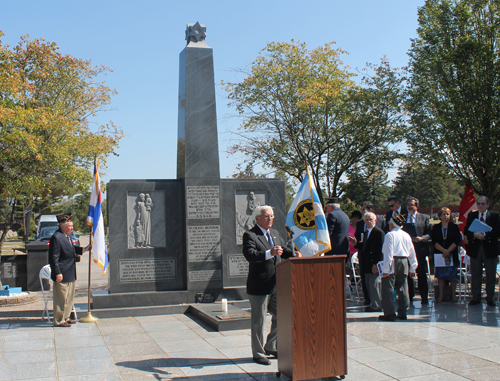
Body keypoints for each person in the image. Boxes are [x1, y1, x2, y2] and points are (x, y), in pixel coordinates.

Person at [242, 205, 301, 365]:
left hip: (276, 284)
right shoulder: (250, 235)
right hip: (259, 286)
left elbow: (283, 249)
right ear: (257, 218)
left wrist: (294, 253)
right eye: (267, 216)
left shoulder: (275, 233)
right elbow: (250, 255)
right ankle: (258, 353)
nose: (270, 219)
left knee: (282, 315)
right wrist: (269, 253)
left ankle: (271, 346)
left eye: (272, 216)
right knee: (258, 321)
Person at [49, 214, 91, 327]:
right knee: (61, 298)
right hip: (62, 273)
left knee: (69, 297)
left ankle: (66, 317)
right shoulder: (57, 237)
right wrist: (57, 272)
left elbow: (71, 249)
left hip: (70, 272)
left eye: (72, 226)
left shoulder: (66, 236)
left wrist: (84, 249)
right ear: (62, 226)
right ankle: (58, 320)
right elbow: (54, 257)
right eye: (70, 226)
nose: (72, 228)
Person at [379, 213, 417, 321]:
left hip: (393, 261)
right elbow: (412, 252)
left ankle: (389, 313)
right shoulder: (406, 235)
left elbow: (388, 253)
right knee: (403, 286)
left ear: (392, 224)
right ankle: (403, 312)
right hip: (404, 261)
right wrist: (413, 267)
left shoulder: (389, 235)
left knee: (388, 287)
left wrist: (386, 269)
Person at [464, 196, 500, 306]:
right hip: (475, 249)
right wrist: (474, 234)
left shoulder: (494, 216)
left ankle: (490, 298)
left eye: (483, 204)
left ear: (488, 205)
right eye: (479, 203)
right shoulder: (472, 215)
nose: (480, 206)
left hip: (489, 249)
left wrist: (485, 235)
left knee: (490, 275)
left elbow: (497, 231)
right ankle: (476, 297)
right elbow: (466, 230)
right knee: (475, 274)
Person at [405, 197, 431, 304]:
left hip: (420, 249)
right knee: (408, 275)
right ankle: (409, 297)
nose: (410, 207)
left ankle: (424, 297)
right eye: (408, 205)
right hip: (407, 250)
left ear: (416, 206)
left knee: (421, 274)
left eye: (412, 204)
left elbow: (429, 233)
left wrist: (422, 238)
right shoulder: (403, 218)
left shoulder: (424, 217)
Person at [356, 212, 385, 312]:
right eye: (367, 220)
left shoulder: (378, 232)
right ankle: (372, 303)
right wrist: (356, 244)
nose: (369, 222)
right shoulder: (366, 232)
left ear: (375, 221)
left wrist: (376, 264)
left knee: (374, 284)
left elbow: (380, 249)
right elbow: (365, 247)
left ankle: (376, 305)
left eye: (371, 219)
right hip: (366, 263)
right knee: (368, 284)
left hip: (374, 263)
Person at [432, 207, 461, 303]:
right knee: (440, 276)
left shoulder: (454, 227)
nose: (446, 216)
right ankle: (441, 295)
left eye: (447, 214)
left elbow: (456, 240)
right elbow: (434, 241)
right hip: (440, 254)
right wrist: (443, 250)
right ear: (440, 216)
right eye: (444, 214)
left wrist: (448, 251)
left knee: (453, 276)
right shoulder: (436, 227)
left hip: (451, 253)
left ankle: (453, 295)